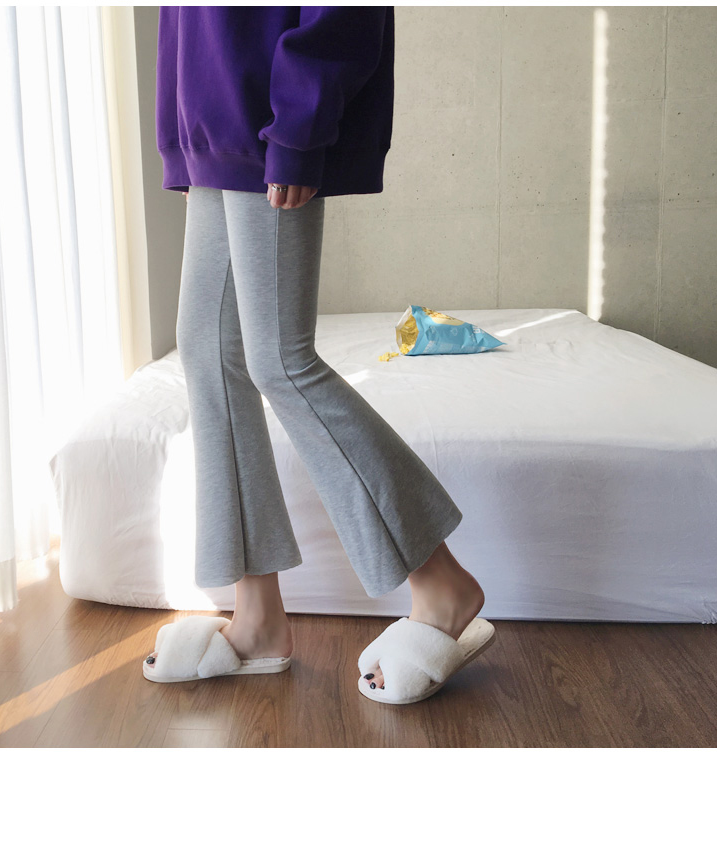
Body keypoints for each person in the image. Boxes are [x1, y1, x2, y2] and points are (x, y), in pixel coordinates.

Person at [143, 6, 494, 704]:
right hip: (215, 113)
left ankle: (442, 583)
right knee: (209, 352)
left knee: (280, 359)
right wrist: (185, 134)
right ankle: (256, 620)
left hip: (267, 110)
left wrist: (298, 126)